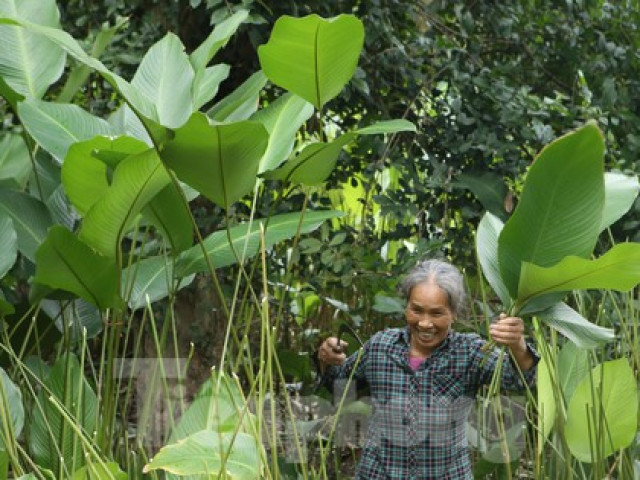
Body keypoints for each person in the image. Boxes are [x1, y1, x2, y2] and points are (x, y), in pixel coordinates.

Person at [317, 258, 538, 479]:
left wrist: (517, 344)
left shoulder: (470, 352)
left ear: (454, 313)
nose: (424, 323)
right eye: (417, 310)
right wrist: (326, 358)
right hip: (377, 473)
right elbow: (339, 384)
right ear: (406, 307)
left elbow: (521, 379)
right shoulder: (380, 346)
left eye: (436, 313)